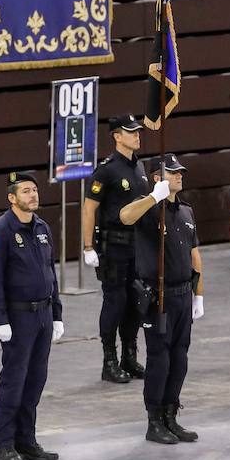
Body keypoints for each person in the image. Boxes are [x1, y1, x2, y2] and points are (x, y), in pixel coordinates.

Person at [0, 172, 63, 460]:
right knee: (14, 381)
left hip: (43, 314)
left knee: (36, 380)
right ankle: (5, 442)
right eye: (26, 191)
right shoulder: (0, 230)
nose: (32, 195)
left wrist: (57, 313)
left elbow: (50, 272)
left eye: (34, 190)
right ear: (12, 198)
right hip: (18, 317)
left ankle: (26, 440)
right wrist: (0, 319)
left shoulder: (41, 227)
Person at [119, 155, 200, 444]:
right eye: (173, 172)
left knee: (180, 359)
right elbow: (125, 216)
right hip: (158, 297)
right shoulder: (148, 207)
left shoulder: (186, 211)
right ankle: (154, 421)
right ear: (157, 177)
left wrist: (199, 295)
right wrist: (154, 197)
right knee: (160, 360)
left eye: (180, 172)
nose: (179, 175)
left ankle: (170, 415)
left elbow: (194, 253)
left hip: (183, 295)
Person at [81, 115, 150, 384]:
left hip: (138, 246)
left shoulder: (139, 166)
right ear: (117, 137)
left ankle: (129, 357)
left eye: (137, 131)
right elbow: (89, 208)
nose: (136, 135)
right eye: (130, 132)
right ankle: (109, 361)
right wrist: (88, 246)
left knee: (136, 301)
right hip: (114, 247)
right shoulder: (106, 170)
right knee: (115, 302)